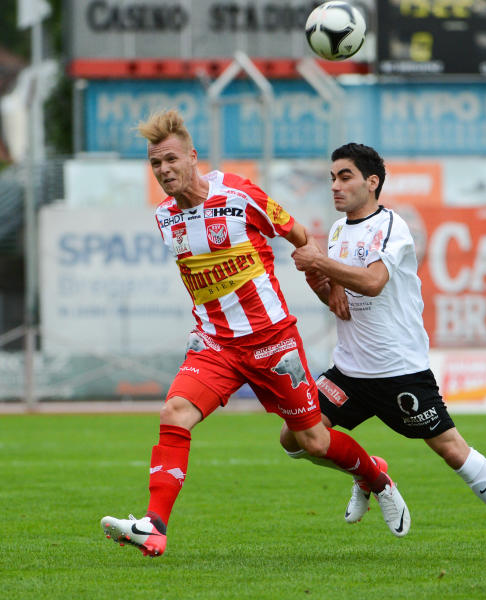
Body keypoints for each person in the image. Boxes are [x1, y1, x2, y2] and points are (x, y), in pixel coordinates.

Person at [100, 111, 410, 557]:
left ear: (192, 156)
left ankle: (375, 477)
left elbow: (301, 237)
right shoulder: (165, 217)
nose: (164, 170)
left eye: (170, 159)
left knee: (313, 441)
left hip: (272, 342)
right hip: (214, 344)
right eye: (155, 164)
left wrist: (333, 285)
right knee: (174, 412)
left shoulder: (239, 194)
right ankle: (154, 525)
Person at [284, 142, 486, 560]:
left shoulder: (392, 226)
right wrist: (319, 281)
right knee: (295, 439)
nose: (335, 186)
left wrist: (319, 263)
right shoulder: (336, 231)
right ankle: (373, 476)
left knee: (452, 450)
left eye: (345, 176)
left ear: (372, 182)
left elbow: (372, 283)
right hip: (349, 371)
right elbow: (338, 303)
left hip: (399, 371)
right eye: (332, 178)